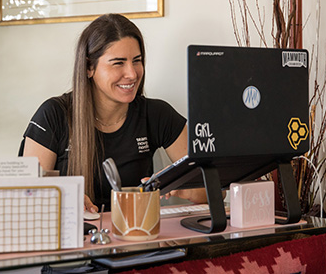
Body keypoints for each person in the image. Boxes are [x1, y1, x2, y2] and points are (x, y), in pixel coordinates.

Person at [21, 13, 206, 213]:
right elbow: (26, 196)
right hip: (74, 238)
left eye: (137, 61)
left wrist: (177, 185)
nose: (132, 73)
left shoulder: (157, 114)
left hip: (136, 237)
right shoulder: (53, 115)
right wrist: (64, 196)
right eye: (118, 63)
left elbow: (214, 189)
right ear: (89, 67)